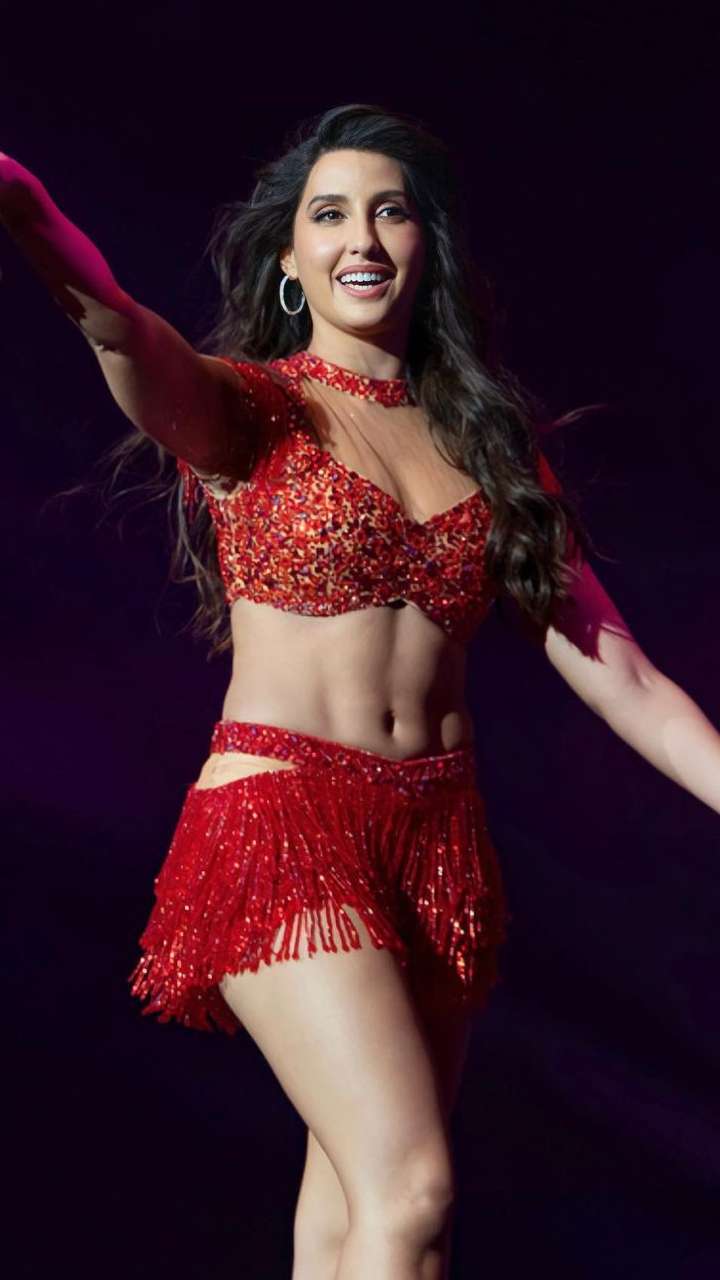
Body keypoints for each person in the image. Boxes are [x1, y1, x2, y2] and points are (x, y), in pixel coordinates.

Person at [2, 103, 719, 1280]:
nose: (362, 236)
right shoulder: (246, 409)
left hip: (437, 843)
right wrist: (23, 204)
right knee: (410, 1186)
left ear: (426, 245)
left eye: (390, 211)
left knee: (351, 1213)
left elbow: (625, 674)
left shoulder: (490, 446)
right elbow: (112, 319)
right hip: (282, 820)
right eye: (330, 214)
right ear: (291, 261)